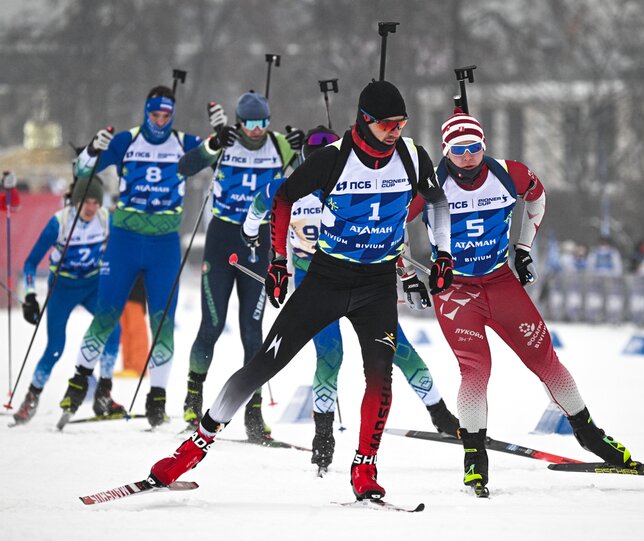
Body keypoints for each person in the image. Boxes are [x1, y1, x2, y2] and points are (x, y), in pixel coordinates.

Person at [148, 80, 453, 502]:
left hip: (377, 283)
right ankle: (191, 449)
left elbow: (437, 201)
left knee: (380, 379)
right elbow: (282, 198)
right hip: (326, 279)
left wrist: (443, 255)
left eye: (401, 123)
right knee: (263, 364)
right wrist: (276, 261)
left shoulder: (413, 156)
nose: (395, 130)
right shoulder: (334, 159)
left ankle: (364, 467)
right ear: (365, 121)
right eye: (386, 124)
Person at [408, 108, 635, 497]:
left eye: (474, 146)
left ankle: (589, 434)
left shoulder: (507, 174)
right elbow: (392, 226)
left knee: (546, 360)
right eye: (458, 149)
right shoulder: (431, 184)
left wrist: (524, 248)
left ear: (484, 145)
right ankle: (474, 457)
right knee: (476, 371)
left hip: (500, 282)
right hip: (456, 291)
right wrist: (409, 275)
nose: (467, 156)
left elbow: (538, 197)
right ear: (445, 150)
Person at [242, 124, 459, 471]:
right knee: (330, 355)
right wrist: (255, 239)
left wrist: (405, 274)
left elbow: (380, 236)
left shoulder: (356, 182)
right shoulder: (289, 188)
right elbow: (257, 213)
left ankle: (441, 415)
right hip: (319, 285)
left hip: (365, 281)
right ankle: (323, 435)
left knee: (399, 351)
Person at [64, 85, 203, 426]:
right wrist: (92, 150)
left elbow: (219, 156)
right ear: (146, 112)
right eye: (154, 114)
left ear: (172, 115)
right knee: (106, 315)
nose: (160, 121)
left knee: (162, 322)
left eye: (166, 115)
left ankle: (157, 397)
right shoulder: (127, 140)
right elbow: (83, 171)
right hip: (124, 241)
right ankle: (79, 381)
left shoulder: (184, 143)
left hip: (164, 244)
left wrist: (221, 136)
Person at [177, 91, 302, 442]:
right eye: (250, 123)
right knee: (212, 324)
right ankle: (192, 398)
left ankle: (253, 412)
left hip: (259, 241)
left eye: (264, 122)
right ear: (238, 121)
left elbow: (309, 176)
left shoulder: (280, 146)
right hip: (222, 240)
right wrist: (212, 146)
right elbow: (184, 168)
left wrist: (302, 148)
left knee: (253, 329)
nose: (257, 130)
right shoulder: (225, 140)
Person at [12, 176, 122, 424]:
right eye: (86, 202)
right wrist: (30, 296)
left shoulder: (106, 218)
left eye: (95, 202)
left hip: (92, 286)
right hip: (62, 288)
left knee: (114, 330)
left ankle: (104, 394)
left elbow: (121, 248)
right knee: (55, 347)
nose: (91, 208)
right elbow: (30, 263)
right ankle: (32, 397)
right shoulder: (59, 223)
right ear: (75, 201)